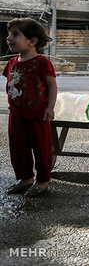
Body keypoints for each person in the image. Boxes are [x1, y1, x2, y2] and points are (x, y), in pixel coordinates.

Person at [3, 18, 57, 197]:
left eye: (15, 34)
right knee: (18, 148)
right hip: (16, 114)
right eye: (9, 34)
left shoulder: (42, 62)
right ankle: (25, 178)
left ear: (32, 41)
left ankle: (42, 181)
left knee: (41, 148)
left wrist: (50, 108)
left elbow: (51, 86)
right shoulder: (11, 63)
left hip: (38, 115)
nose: (9, 38)